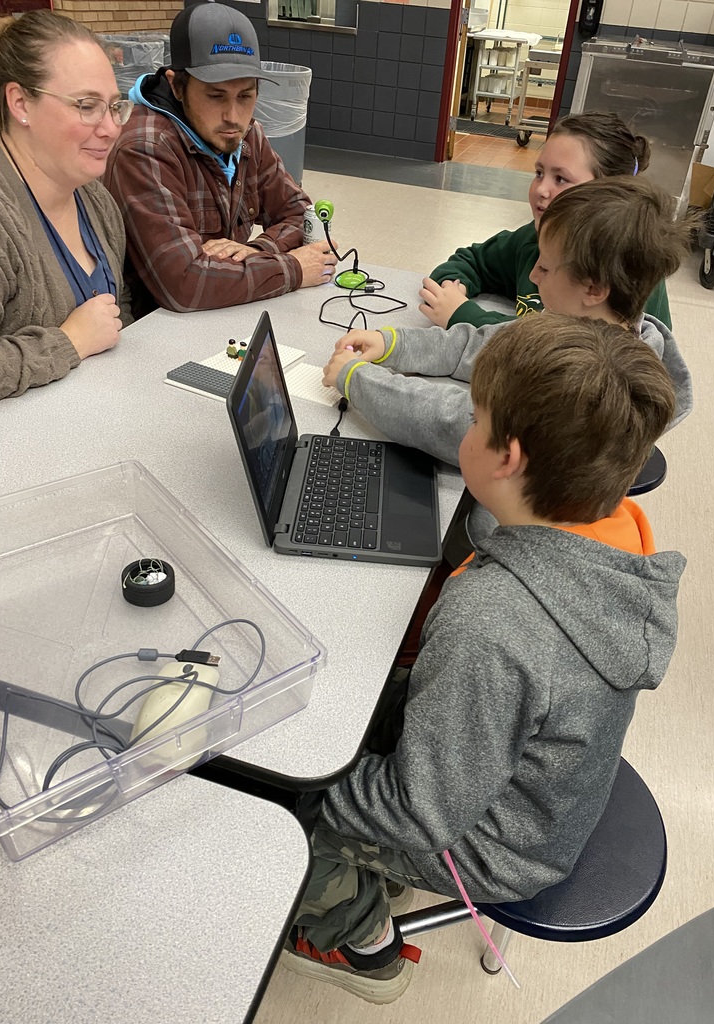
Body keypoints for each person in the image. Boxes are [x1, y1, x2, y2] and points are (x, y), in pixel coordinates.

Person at [284, 312, 685, 1004]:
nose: (464, 429)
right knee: (361, 700)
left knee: (277, 803)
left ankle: (364, 943)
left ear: (507, 459)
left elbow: (419, 813)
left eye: (475, 419)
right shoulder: (615, 529)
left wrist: (300, 779)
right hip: (537, 790)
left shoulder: (494, 620)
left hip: (497, 848)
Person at [322, 177, 694, 468]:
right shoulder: (592, 326)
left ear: (594, 289)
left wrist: (357, 379)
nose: (532, 275)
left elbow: (456, 426)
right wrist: (395, 345)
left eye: (545, 267)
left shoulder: (584, 385)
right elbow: (489, 345)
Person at [103, 0, 336, 318]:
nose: (233, 117)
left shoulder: (247, 134)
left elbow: (299, 213)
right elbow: (184, 283)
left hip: (226, 310)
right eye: (216, 96)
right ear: (176, 85)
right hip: (156, 327)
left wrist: (256, 250)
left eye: (246, 96)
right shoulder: (144, 148)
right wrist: (293, 268)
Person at [0, 10, 131, 409]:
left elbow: (118, 313)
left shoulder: (95, 200)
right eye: (86, 106)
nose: (110, 128)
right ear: (20, 103)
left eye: (114, 106)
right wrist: (70, 341)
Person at [421, 111, 673, 330]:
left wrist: (465, 316)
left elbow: (572, 351)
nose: (541, 189)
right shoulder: (533, 239)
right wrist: (452, 290)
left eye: (560, 179)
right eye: (539, 173)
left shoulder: (631, 267)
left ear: (608, 191)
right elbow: (473, 261)